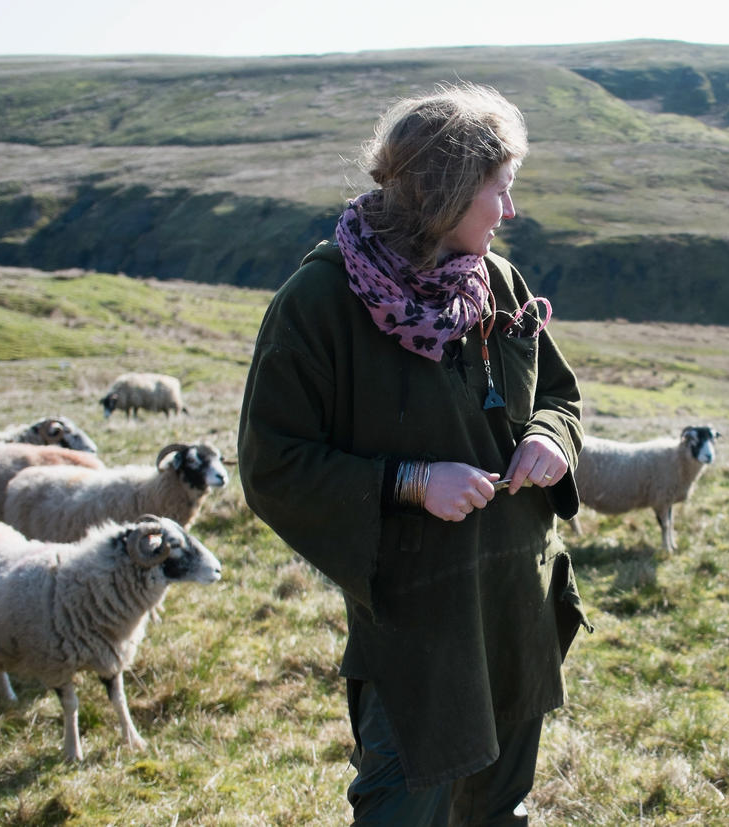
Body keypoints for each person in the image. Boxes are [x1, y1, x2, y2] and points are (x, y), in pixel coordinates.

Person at [237, 82, 590, 825]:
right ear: (445, 193)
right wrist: (409, 481)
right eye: (500, 190)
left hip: (514, 607)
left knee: (499, 808)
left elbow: (558, 395)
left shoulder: (495, 281)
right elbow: (272, 462)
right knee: (404, 810)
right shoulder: (320, 303)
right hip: (420, 630)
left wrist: (551, 439)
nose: (511, 211)